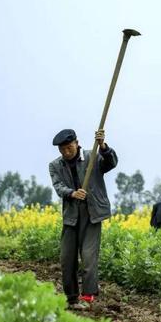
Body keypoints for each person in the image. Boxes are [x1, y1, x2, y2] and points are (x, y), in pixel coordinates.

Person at [49, 128, 118, 310]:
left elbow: (111, 163)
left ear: (77, 143)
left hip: (92, 214)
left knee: (88, 257)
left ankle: (88, 295)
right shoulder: (55, 165)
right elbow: (58, 187)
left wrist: (103, 146)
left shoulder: (92, 157)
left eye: (69, 147)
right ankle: (72, 299)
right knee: (67, 258)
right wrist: (72, 193)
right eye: (62, 149)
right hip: (71, 216)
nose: (66, 152)